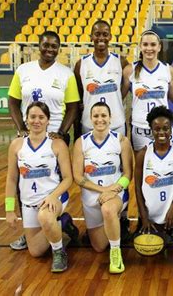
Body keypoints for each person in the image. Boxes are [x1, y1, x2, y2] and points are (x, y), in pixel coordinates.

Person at [7, 30, 80, 250]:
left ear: (59, 48)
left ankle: (58, 219)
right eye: (46, 45)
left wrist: (63, 132)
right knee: (25, 179)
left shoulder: (65, 73)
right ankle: (32, 230)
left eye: (54, 46)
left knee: (54, 181)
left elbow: (74, 106)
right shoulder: (23, 70)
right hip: (30, 134)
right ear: (39, 46)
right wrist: (21, 128)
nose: (50, 49)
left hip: (53, 138)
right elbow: (12, 100)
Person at [5, 102, 73, 272]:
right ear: (26, 119)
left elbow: (68, 178)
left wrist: (52, 196)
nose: (37, 121)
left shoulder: (57, 145)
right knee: (35, 251)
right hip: (28, 204)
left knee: (45, 217)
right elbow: (12, 178)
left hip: (53, 198)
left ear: (48, 120)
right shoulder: (17, 145)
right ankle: (63, 222)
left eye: (41, 117)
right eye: (33, 117)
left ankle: (59, 252)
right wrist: (9, 209)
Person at [135, 106, 173, 273]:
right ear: (151, 130)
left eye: (165, 128)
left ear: (172, 127)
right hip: (151, 209)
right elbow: (137, 187)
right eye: (156, 129)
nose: (161, 132)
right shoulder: (143, 154)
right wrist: (143, 217)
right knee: (153, 253)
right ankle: (160, 229)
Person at [72, 102, 133, 274]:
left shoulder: (121, 140)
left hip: (115, 194)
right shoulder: (81, 143)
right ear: (90, 119)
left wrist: (113, 190)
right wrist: (102, 191)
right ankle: (115, 225)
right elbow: (78, 177)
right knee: (99, 247)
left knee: (107, 209)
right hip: (91, 198)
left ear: (110, 118)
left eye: (104, 115)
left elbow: (128, 175)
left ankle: (116, 253)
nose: (100, 119)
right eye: (96, 116)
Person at [123, 30, 173, 154]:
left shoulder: (168, 70)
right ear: (140, 46)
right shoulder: (130, 70)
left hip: (163, 127)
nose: (149, 48)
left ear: (159, 47)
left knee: (164, 165)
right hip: (140, 128)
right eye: (145, 44)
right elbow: (120, 96)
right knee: (141, 167)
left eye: (153, 45)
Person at [74, 20, 130, 137]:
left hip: (116, 123)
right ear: (91, 37)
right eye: (97, 34)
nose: (101, 38)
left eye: (105, 34)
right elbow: (79, 96)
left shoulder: (121, 61)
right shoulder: (81, 64)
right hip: (90, 124)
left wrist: (116, 98)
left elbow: (125, 89)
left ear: (110, 37)